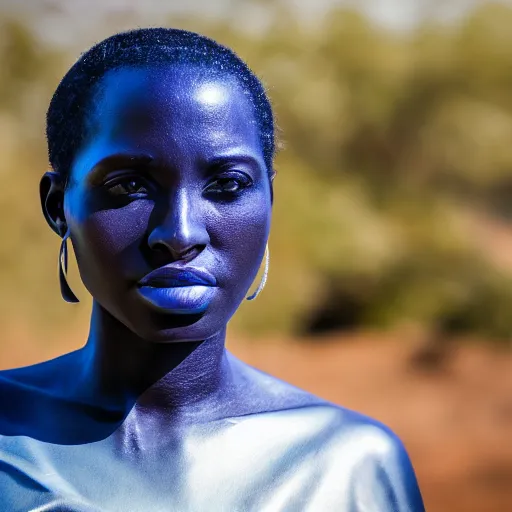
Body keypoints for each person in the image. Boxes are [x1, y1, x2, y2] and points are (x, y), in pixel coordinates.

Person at [0, 28, 425, 511]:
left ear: (269, 203)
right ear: (58, 207)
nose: (180, 234)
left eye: (226, 184)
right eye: (129, 186)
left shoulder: (349, 466)